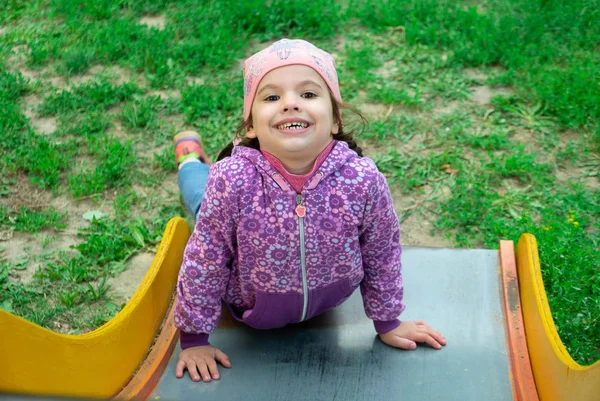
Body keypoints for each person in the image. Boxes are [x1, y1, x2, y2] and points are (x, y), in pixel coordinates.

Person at [172, 39, 446, 383]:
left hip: (324, 306)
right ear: (251, 127)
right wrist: (194, 338)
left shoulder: (361, 179)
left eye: (308, 94)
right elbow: (205, 258)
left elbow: (381, 250)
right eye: (271, 97)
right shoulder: (232, 181)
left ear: (334, 120)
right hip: (249, 304)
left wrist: (387, 320)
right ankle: (189, 160)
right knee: (199, 191)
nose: (290, 104)